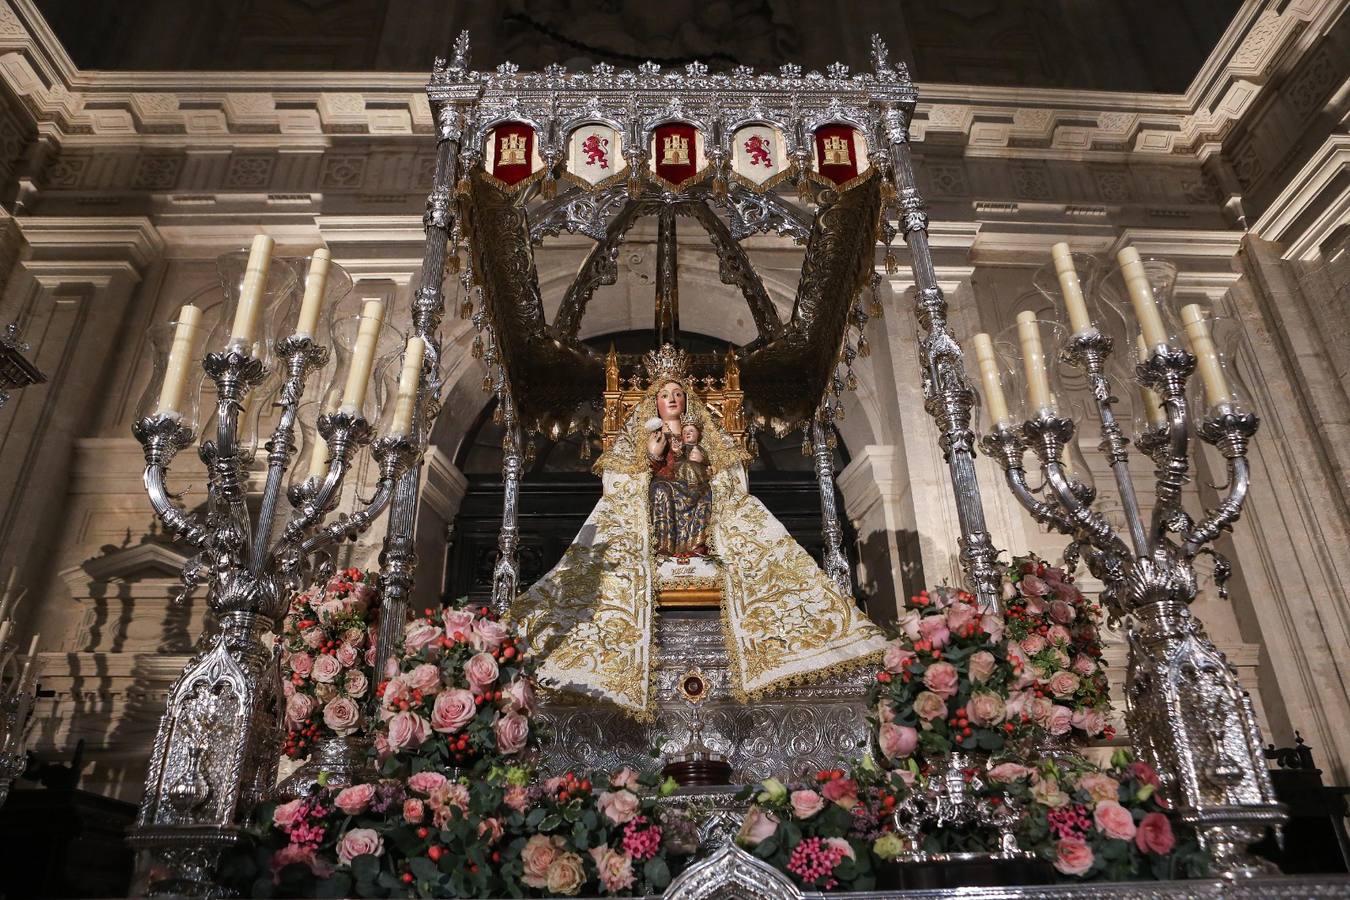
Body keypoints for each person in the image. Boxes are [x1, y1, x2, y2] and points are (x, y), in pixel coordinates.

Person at [512, 344, 886, 718]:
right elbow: (620, 480)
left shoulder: (700, 434)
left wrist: (696, 460)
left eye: (677, 394)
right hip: (659, 499)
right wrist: (653, 457)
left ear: (687, 401)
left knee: (698, 491)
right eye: (665, 395)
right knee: (660, 490)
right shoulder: (646, 435)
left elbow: (726, 476)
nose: (672, 399)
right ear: (654, 403)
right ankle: (668, 551)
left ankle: (693, 549)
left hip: (697, 496)